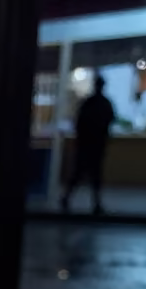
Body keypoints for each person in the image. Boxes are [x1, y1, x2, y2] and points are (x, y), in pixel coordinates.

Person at [61, 75, 115, 215]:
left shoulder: (89, 103)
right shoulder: (104, 103)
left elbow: (78, 123)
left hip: (86, 144)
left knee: (79, 173)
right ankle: (95, 204)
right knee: (93, 175)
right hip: (96, 145)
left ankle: (67, 198)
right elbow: (110, 122)